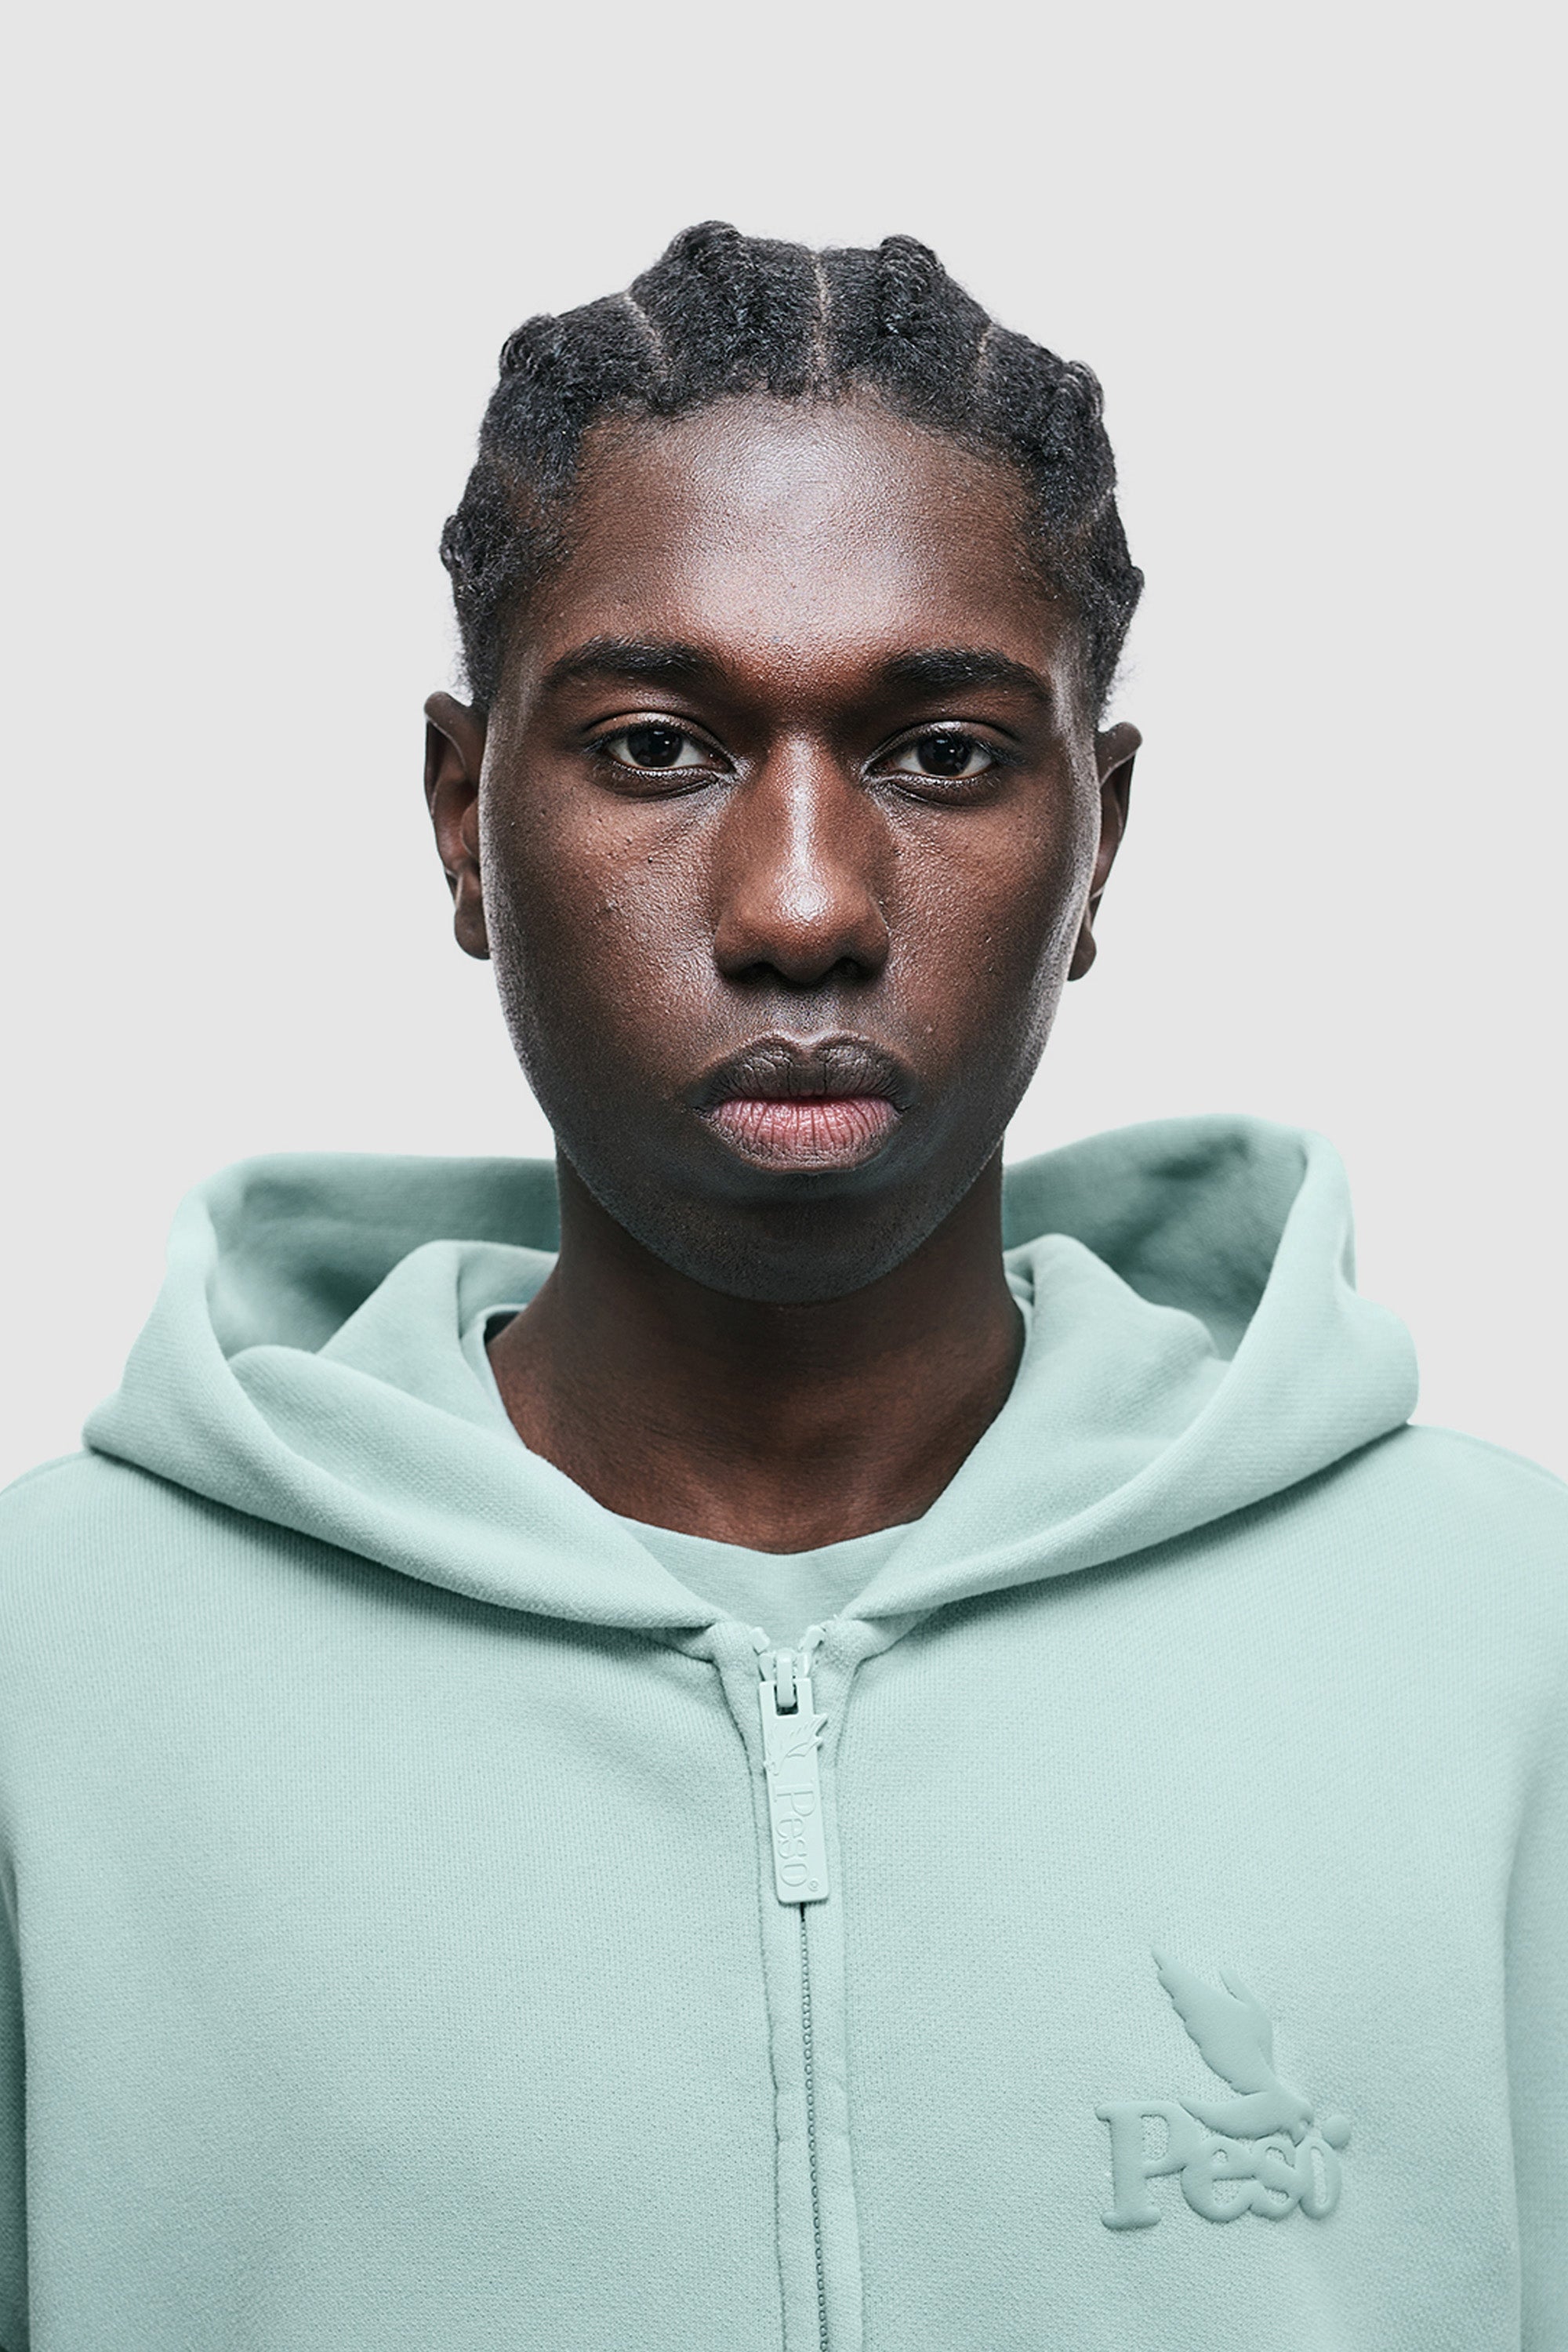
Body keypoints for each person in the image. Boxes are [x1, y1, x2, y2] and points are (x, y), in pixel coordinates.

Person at [1, 222, 1563, 2352]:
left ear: (1103, 837)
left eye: (944, 755)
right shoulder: (50, 1673)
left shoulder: (1505, 1646)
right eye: (659, 747)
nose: (806, 905)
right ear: (463, 818)